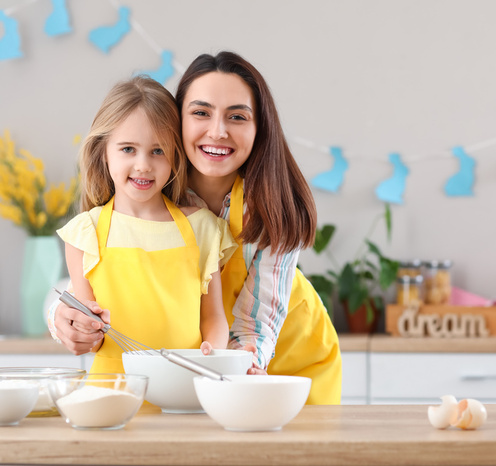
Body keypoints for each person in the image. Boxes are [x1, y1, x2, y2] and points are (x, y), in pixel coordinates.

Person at [50, 52, 342, 404]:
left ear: (259, 127)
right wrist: (61, 319)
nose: (217, 131)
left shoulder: (272, 203)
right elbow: (98, 283)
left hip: (288, 364)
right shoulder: (152, 186)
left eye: (237, 116)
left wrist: (235, 367)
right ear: (177, 122)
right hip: (205, 374)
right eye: (201, 112)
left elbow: (256, 323)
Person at [55, 76, 235, 373]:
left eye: (158, 150)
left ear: (175, 157)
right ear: (104, 152)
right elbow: (95, 337)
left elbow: (213, 317)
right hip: (113, 391)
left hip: (185, 384)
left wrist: (212, 354)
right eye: (128, 149)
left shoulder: (203, 228)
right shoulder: (85, 233)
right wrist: (85, 330)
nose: (143, 165)